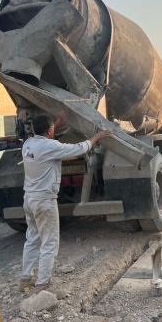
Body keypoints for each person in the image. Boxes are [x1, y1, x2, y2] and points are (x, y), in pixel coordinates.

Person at [19, 113, 112, 292]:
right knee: (49, 242)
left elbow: (46, 136)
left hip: (29, 199)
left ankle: (25, 278)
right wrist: (96, 137)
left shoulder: (28, 144)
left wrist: (56, 124)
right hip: (44, 201)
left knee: (32, 239)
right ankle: (43, 283)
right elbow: (78, 148)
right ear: (50, 131)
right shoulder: (50, 146)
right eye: (52, 128)